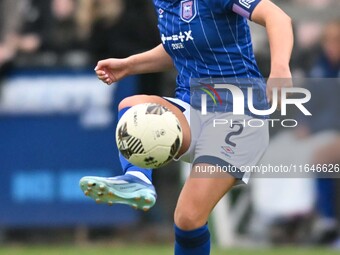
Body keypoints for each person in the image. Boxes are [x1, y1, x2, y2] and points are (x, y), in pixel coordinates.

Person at [80, 0, 293, 254]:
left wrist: (280, 67)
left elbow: (277, 17)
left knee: (188, 217)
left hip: (239, 115)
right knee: (133, 105)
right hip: (194, 107)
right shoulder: (162, 3)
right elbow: (179, 46)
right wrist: (130, 65)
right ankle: (137, 178)